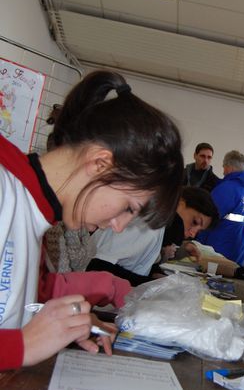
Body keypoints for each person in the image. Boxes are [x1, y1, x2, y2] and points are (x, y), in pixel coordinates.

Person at [0, 69, 183, 369]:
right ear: (100, 164)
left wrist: (63, 327)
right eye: (128, 207)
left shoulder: (33, 215)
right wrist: (21, 346)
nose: (119, 225)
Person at [87, 187, 219, 285]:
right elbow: (98, 267)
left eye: (198, 231)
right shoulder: (146, 226)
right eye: (195, 222)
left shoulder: (159, 228)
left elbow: (136, 262)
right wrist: (148, 282)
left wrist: (153, 273)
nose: (192, 233)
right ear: (180, 203)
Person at [197, 150, 244, 265]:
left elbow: (207, 219)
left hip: (217, 254)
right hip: (239, 257)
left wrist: (198, 245)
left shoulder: (226, 189)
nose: (224, 172)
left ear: (229, 167)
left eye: (224, 167)